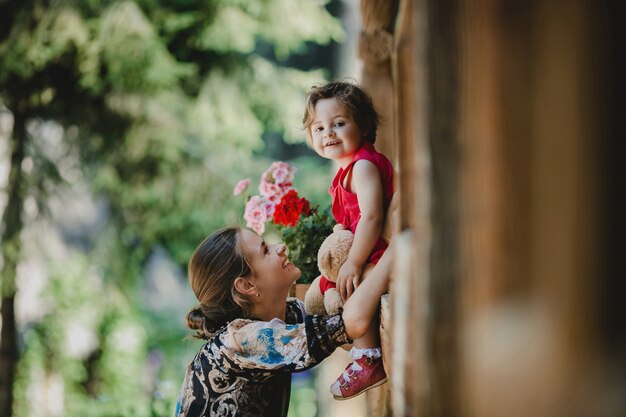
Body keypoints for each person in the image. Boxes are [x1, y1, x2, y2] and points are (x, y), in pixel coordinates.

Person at [175, 226, 393, 417]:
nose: (280, 246)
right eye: (265, 250)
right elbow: (353, 324)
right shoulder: (240, 342)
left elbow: (347, 330)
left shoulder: (289, 315)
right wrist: (395, 249)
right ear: (247, 286)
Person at [302, 80, 395, 399]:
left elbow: (371, 217)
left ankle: (368, 358)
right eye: (319, 127)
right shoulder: (345, 172)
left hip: (377, 254)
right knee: (331, 290)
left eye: (338, 124)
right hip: (365, 250)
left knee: (354, 288)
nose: (328, 133)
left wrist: (354, 262)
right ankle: (354, 346)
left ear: (364, 126)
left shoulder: (364, 166)